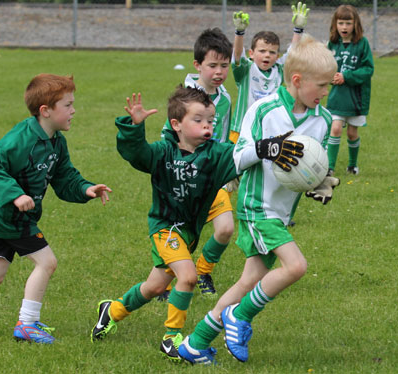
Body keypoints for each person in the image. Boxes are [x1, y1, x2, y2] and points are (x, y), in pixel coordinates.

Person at [90, 86, 301, 362]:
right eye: (198, 120)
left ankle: (112, 310)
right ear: (176, 124)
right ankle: (172, 338)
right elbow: (136, 153)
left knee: (154, 286)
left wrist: (265, 147)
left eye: (211, 121)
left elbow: (241, 156)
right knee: (188, 277)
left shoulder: (215, 155)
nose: (207, 126)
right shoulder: (162, 153)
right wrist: (133, 127)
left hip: (187, 233)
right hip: (164, 228)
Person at [177, 34, 340, 365]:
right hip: (255, 208)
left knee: (249, 281)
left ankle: (195, 344)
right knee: (295, 266)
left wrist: (320, 182)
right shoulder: (264, 110)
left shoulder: (321, 121)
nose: (326, 92)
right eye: (321, 85)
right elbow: (235, 159)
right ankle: (241, 315)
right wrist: (266, 148)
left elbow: (307, 169)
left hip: (280, 213)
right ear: (297, 80)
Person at [0, 74, 111, 344]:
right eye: (67, 105)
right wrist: (16, 195)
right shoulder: (19, 140)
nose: (73, 110)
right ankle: (27, 324)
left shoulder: (56, 141)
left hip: (9, 217)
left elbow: (65, 177)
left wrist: (85, 189)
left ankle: (27, 323)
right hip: (10, 217)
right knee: (47, 262)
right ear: (45, 111)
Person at [160, 28, 234, 298]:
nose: (219, 71)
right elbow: (167, 133)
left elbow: (223, 137)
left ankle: (203, 271)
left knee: (226, 228)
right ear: (198, 65)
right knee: (181, 237)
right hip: (183, 177)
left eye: (224, 66)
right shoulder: (185, 96)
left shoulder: (224, 99)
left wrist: (227, 171)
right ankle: (164, 284)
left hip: (212, 176)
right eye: (212, 65)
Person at [229, 2, 310, 144]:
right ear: (251, 53)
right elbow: (236, 55)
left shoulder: (278, 70)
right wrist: (239, 33)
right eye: (262, 51)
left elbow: (293, 53)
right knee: (238, 165)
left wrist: (298, 29)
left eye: (272, 52)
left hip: (269, 129)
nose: (267, 55)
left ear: (277, 56)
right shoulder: (246, 69)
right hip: (241, 129)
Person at [326, 4, 374, 176]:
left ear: (356, 24)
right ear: (335, 24)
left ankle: (352, 165)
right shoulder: (331, 44)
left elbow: (368, 70)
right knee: (336, 128)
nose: (344, 27)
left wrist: (346, 76)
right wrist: (329, 76)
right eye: (340, 23)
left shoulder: (362, 44)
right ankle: (329, 167)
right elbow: (325, 66)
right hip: (337, 97)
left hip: (356, 99)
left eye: (348, 23)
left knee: (352, 134)